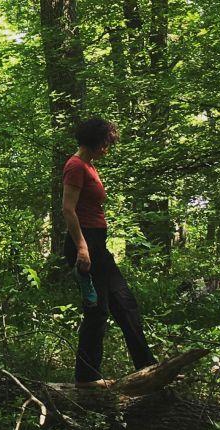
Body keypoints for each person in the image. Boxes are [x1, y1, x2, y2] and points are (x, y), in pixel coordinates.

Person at [60, 118, 158, 387]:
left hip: (98, 244)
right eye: (105, 144)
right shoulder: (75, 166)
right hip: (85, 244)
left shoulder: (89, 166)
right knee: (97, 311)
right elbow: (68, 209)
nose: (107, 149)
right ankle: (87, 378)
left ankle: (149, 369)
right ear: (94, 141)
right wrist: (81, 247)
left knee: (125, 303)